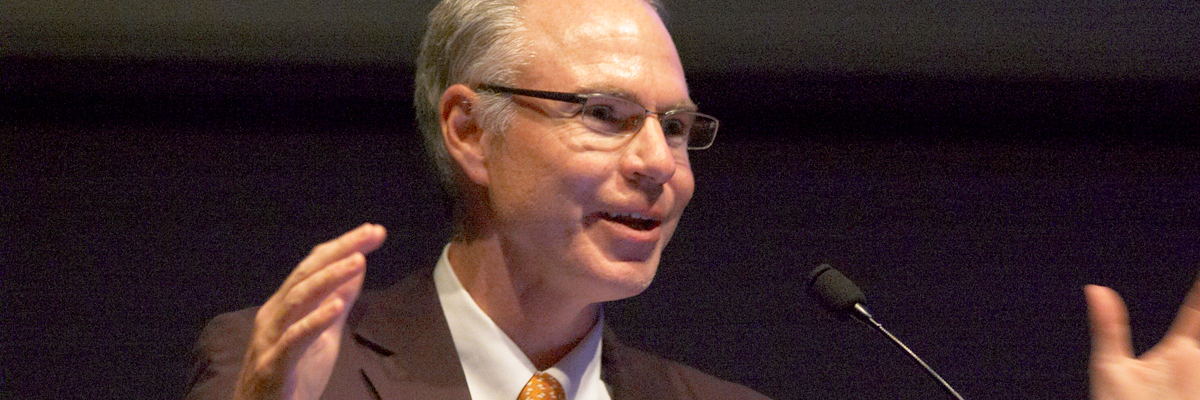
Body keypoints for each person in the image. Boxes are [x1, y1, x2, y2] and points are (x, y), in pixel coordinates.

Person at [185, 0, 1200, 399]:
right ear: (469, 130)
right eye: (606, 114)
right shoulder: (283, 367)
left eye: (676, 127)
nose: (659, 164)